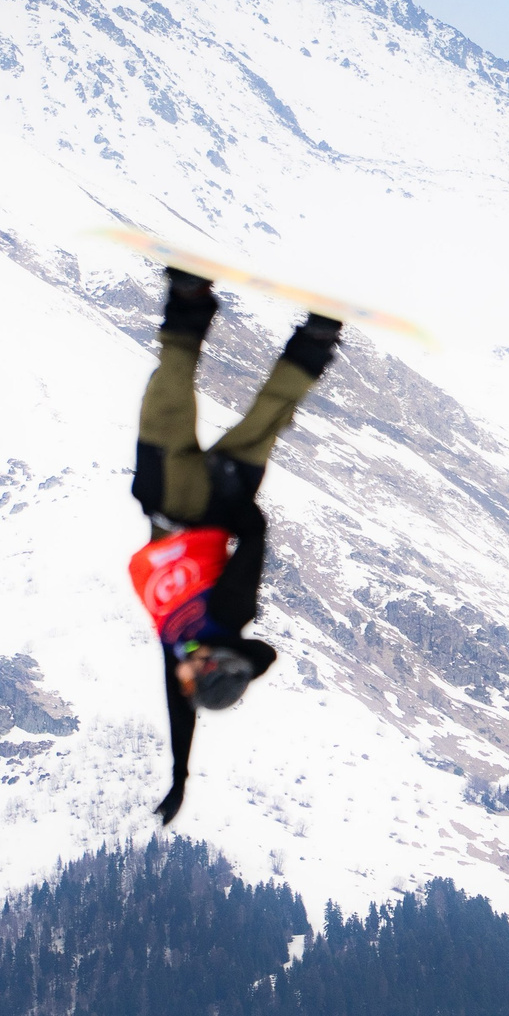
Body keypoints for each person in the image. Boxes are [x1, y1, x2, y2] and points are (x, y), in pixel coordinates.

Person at [127, 269, 342, 823]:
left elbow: (182, 712)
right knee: (177, 409)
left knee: (255, 419)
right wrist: (229, 500)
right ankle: (194, 304)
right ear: (208, 665)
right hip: (193, 504)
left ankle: (310, 339)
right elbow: (256, 542)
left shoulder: (183, 647)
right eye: (192, 682)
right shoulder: (224, 618)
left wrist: (180, 774)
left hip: (191, 503)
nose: (181, 683)